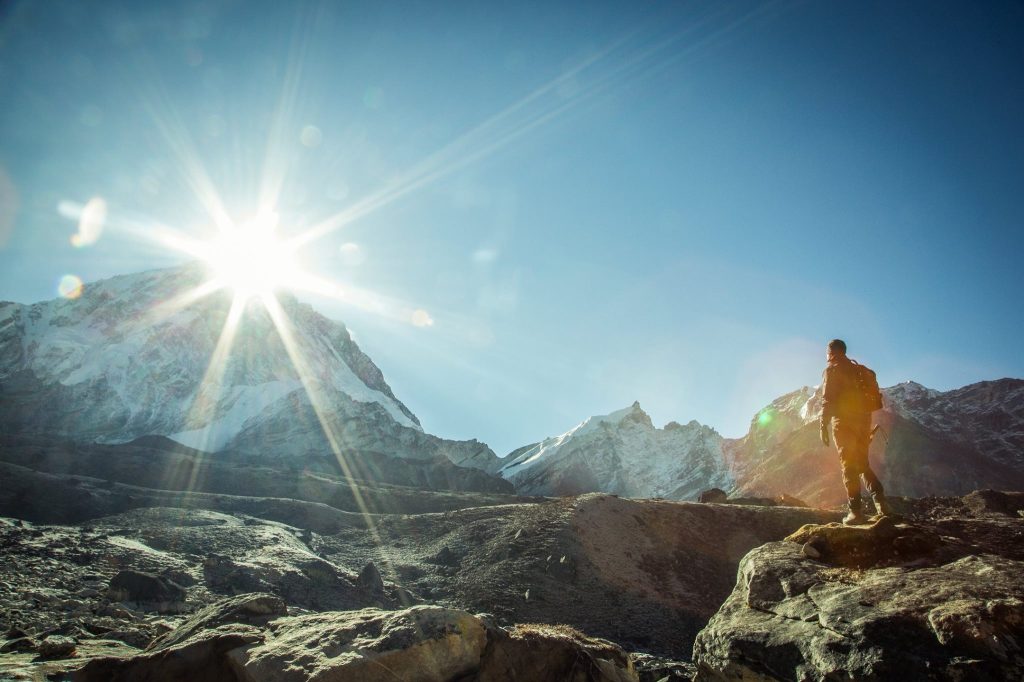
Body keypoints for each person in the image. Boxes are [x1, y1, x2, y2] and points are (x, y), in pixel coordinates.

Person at [819, 339, 890, 525]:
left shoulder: (832, 370)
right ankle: (882, 505)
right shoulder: (859, 369)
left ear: (831, 352)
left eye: (827, 351)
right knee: (862, 464)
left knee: (848, 465)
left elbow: (827, 399)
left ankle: (855, 512)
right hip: (864, 420)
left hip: (843, 422)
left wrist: (823, 425)